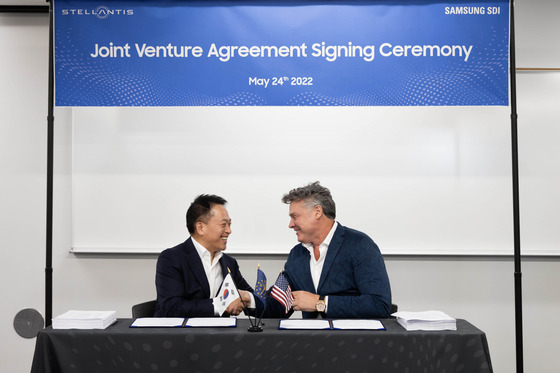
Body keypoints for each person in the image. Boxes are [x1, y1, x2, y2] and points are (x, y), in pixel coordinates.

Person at [264, 181, 392, 319]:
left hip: (350, 338)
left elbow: (379, 305)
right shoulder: (297, 254)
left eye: (295, 217)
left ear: (317, 212)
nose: (290, 225)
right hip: (309, 339)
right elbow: (278, 306)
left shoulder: (360, 245)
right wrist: (249, 300)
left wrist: (320, 303)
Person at [154, 194, 254, 317]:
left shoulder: (229, 263)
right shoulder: (171, 259)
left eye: (230, 224)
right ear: (200, 227)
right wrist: (220, 305)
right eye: (224, 225)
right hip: (179, 334)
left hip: (220, 335)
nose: (229, 231)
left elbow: (248, 297)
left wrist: (248, 298)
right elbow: (172, 308)